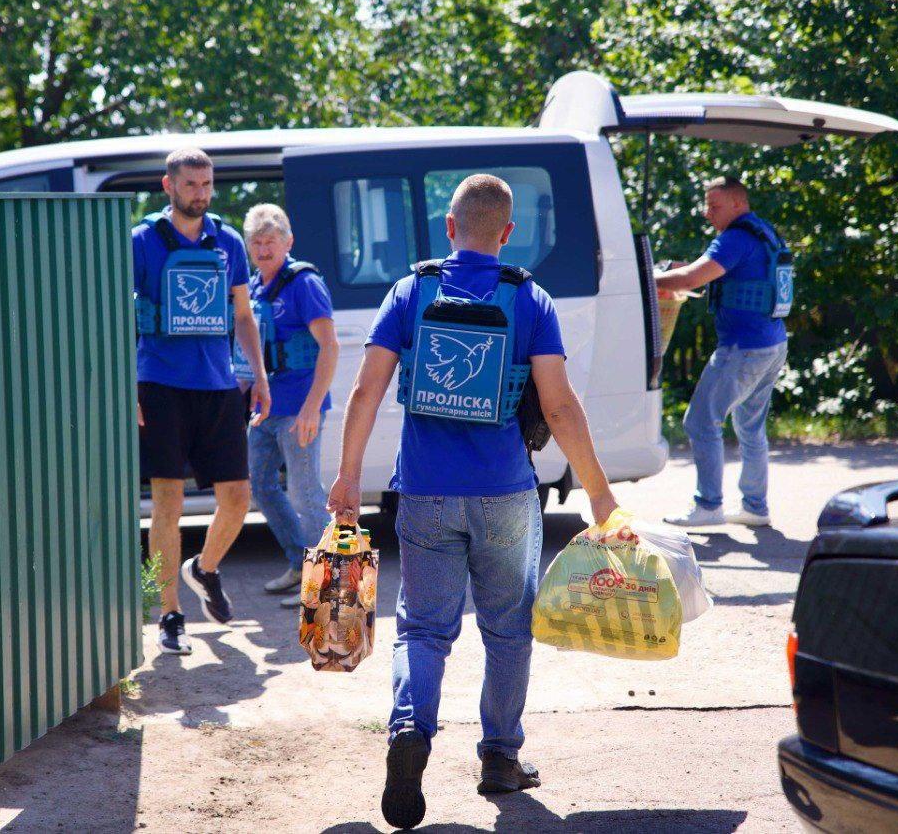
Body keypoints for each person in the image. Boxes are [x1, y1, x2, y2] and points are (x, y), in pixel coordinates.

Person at [325, 174, 619, 830]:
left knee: (423, 628)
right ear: (507, 233)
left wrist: (347, 476)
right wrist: (598, 492)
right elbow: (559, 405)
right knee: (509, 628)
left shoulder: (410, 290)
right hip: (506, 493)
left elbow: (366, 392)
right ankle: (499, 757)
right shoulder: (530, 298)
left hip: (426, 488)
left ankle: (410, 728)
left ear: (449, 227)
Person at [133, 147, 270, 655]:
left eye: (207, 184)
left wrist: (258, 376)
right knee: (167, 502)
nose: (202, 194)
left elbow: (243, 315)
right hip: (160, 385)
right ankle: (170, 614)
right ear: (168, 186)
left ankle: (204, 568)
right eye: (191, 185)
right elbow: (117, 318)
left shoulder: (228, 240)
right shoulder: (141, 241)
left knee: (237, 498)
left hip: (217, 387)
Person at [655, 176, 790, 528]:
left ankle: (709, 505)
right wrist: (678, 272)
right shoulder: (764, 233)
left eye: (714, 206)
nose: (706, 212)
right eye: (706, 204)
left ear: (737, 204)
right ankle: (755, 507)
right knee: (749, 425)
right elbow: (715, 273)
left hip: (743, 349)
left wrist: (644, 281)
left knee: (700, 421)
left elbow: (690, 280)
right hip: (773, 343)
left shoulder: (735, 238)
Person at [236, 203, 339, 608]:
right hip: (264, 409)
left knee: (305, 494)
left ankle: (328, 583)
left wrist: (312, 407)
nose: (263, 250)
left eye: (270, 242)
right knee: (260, 486)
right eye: (256, 243)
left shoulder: (303, 283)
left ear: (288, 242)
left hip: (299, 408)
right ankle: (300, 564)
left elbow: (329, 347)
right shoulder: (254, 286)